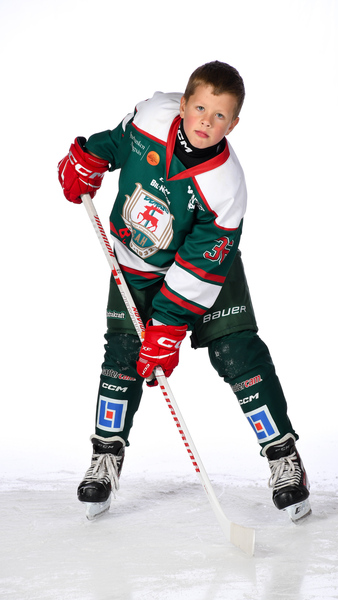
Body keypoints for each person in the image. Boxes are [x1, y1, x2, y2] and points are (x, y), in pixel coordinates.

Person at [57, 60, 310, 521]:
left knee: (237, 354)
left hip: (207, 274)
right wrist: (90, 157)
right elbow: (119, 141)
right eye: (199, 108)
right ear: (183, 103)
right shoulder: (153, 115)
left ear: (234, 124)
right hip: (136, 263)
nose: (206, 121)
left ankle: (283, 455)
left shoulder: (226, 187)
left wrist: (168, 327)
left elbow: (200, 263)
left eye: (220, 116)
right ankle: (105, 455)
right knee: (122, 356)